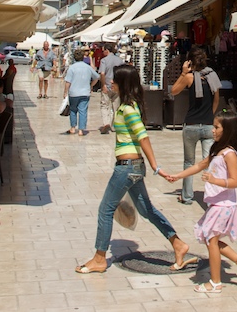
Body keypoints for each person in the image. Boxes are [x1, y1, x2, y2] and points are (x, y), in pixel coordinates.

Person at [75, 64, 196, 275]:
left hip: (127, 167)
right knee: (147, 210)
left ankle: (99, 258)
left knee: (105, 210)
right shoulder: (126, 107)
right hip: (133, 168)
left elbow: (143, 137)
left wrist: (156, 167)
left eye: (114, 79)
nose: (110, 81)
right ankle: (178, 244)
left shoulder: (128, 109)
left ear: (123, 83)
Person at [165, 110, 237, 293]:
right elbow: (199, 165)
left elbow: (235, 181)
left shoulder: (229, 154)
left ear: (227, 129)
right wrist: (177, 176)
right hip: (217, 204)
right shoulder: (218, 150)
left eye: (216, 127)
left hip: (224, 205)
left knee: (211, 240)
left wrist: (214, 181)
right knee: (209, 238)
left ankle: (215, 282)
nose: (213, 131)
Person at [171, 46, 221, 205]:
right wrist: (210, 116)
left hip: (191, 125)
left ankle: (186, 196)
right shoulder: (213, 76)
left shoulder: (190, 77)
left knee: (189, 162)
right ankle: (212, 197)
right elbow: (216, 100)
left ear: (190, 61)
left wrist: (184, 72)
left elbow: (173, 91)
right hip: (208, 125)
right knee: (209, 162)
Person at [64, 49, 100, 135]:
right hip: (85, 92)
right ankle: (81, 130)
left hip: (73, 93)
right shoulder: (88, 67)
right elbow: (96, 77)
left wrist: (65, 92)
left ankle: (73, 128)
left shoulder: (72, 68)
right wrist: (91, 85)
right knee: (83, 111)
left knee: (73, 110)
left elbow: (68, 81)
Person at [97, 43, 125, 134]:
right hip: (117, 87)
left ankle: (106, 123)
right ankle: (114, 125)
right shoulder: (120, 60)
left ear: (107, 50)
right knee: (116, 106)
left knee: (105, 105)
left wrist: (103, 85)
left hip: (107, 86)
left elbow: (102, 73)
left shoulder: (104, 60)